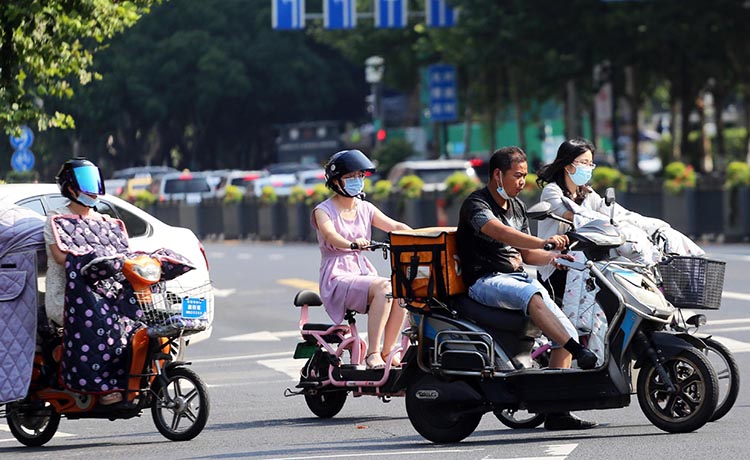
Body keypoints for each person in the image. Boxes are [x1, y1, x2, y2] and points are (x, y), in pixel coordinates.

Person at [456, 146, 598, 430]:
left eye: (524, 176)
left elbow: (529, 254)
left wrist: (555, 258)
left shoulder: (518, 206)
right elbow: (501, 232)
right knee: (530, 293)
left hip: (516, 278)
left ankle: (557, 413)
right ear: (498, 175)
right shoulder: (477, 205)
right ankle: (578, 351)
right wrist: (543, 243)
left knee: (565, 330)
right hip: (485, 281)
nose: (522, 182)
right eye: (517, 176)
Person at [535, 138, 704, 361]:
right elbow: (578, 216)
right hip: (558, 267)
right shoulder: (552, 192)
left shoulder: (587, 194)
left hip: (586, 263)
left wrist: (654, 226)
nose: (588, 168)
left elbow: (617, 213)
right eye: (584, 163)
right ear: (568, 165)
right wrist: (613, 224)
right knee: (570, 327)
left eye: (591, 164)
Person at [312, 150, 412, 370]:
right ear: (336, 181)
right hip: (337, 275)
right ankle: (373, 354)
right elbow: (331, 235)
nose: (357, 181)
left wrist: (420, 236)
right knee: (385, 287)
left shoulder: (365, 207)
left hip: (361, 272)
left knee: (401, 289)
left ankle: (387, 351)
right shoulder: (323, 210)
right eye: (350, 177)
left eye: (360, 176)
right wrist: (352, 244)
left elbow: (394, 226)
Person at [44, 157, 122, 405]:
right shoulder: (56, 219)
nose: (92, 189)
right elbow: (59, 257)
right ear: (70, 187)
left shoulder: (103, 221)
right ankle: (98, 384)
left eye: (94, 180)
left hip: (100, 295)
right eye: (86, 182)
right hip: (67, 297)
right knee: (99, 318)